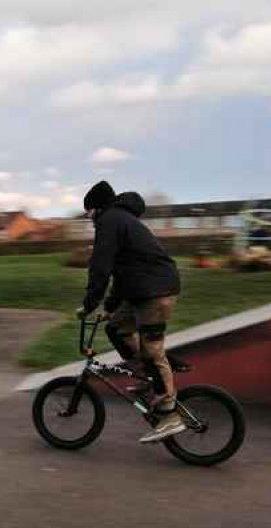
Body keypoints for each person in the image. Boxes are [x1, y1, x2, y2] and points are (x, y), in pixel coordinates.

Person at [75, 181, 184, 443]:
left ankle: (170, 414)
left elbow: (100, 267)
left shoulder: (110, 221)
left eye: (90, 213)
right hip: (143, 289)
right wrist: (109, 308)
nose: (90, 220)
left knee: (151, 350)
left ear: (97, 209)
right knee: (115, 328)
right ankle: (150, 379)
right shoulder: (119, 220)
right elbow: (123, 272)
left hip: (155, 292)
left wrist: (89, 303)